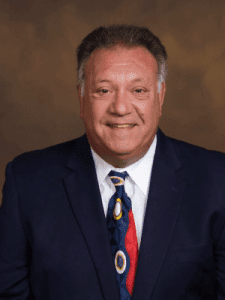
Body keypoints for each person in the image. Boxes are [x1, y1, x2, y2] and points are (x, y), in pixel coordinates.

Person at [0, 24, 225, 300]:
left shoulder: (217, 181)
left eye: (138, 90)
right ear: (82, 98)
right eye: (104, 91)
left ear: (160, 96)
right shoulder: (26, 183)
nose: (120, 108)